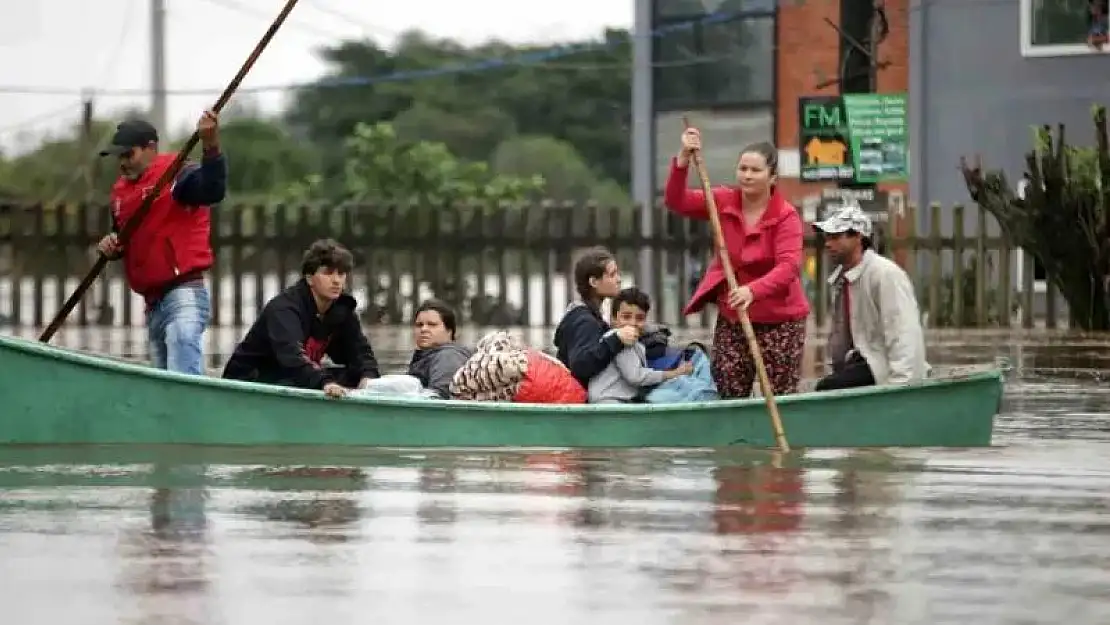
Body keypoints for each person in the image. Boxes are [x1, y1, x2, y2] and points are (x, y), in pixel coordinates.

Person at [664, 131, 810, 398]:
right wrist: (684, 157)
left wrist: (752, 291)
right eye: (743, 168)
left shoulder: (786, 216)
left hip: (780, 319)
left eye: (756, 170)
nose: (747, 175)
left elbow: (789, 267)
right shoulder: (722, 200)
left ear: (772, 177)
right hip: (733, 315)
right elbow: (676, 200)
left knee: (780, 396)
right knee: (728, 388)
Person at [95, 113, 228, 375]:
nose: (122, 163)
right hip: (152, 306)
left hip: (184, 293)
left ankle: (191, 409)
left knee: (182, 347)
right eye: (118, 157)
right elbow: (122, 237)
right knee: (163, 383)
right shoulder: (120, 193)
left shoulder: (177, 174)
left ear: (150, 148)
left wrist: (211, 146)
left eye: (128, 154)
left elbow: (213, 190)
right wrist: (111, 246)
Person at [221, 239, 381, 398]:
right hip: (254, 381)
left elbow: (361, 351)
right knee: (307, 380)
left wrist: (368, 378)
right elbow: (291, 357)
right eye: (327, 273)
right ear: (310, 278)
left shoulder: (341, 309)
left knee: (356, 376)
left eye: (341, 273)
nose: (336, 280)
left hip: (294, 378)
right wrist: (325, 382)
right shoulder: (284, 309)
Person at [812, 201, 929, 390]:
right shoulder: (842, 280)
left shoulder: (884, 274)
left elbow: (902, 331)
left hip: (882, 367)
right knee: (829, 386)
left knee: (827, 387)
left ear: (858, 237)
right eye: (827, 237)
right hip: (860, 362)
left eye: (836, 237)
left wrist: (903, 385)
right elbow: (839, 338)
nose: (828, 244)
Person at [588, 288, 693, 404]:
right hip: (608, 402)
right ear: (613, 319)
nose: (633, 323)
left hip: (616, 400)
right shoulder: (620, 339)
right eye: (626, 317)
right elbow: (636, 377)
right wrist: (674, 373)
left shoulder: (635, 342)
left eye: (640, 318)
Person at [553, 246, 637, 388]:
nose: (619, 279)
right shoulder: (584, 321)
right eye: (612, 275)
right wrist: (616, 339)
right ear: (593, 282)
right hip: (580, 400)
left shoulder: (588, 315)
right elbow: (580, 366)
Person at [408, 299, 474, 399]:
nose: (423, 329)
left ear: (449, 331)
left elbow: (441, 396)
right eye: (419, 325)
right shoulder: (427, 356)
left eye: (432, 325)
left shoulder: (448, 356)